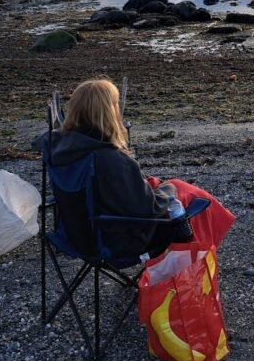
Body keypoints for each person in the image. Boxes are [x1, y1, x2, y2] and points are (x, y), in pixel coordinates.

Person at [40, 77, 234, 261]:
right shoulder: (109, 159)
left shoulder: (59, 151)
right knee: (188, 195)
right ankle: (197, 262)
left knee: (167, 186)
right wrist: (168, 190)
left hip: (75, 237)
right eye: (116, 105)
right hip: (120, 242)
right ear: (109, 112)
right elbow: (147, 209)